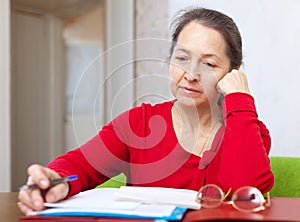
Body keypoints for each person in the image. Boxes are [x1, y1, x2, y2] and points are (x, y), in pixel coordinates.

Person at [18, 7, 274, 215]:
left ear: (232, 72)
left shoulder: (248, 128)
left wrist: (240, 98)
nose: (190, 75)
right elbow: (80, 165)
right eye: (182, 59)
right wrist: (55, 178)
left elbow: (246, 192)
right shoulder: (139, 123)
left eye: (208, 63)